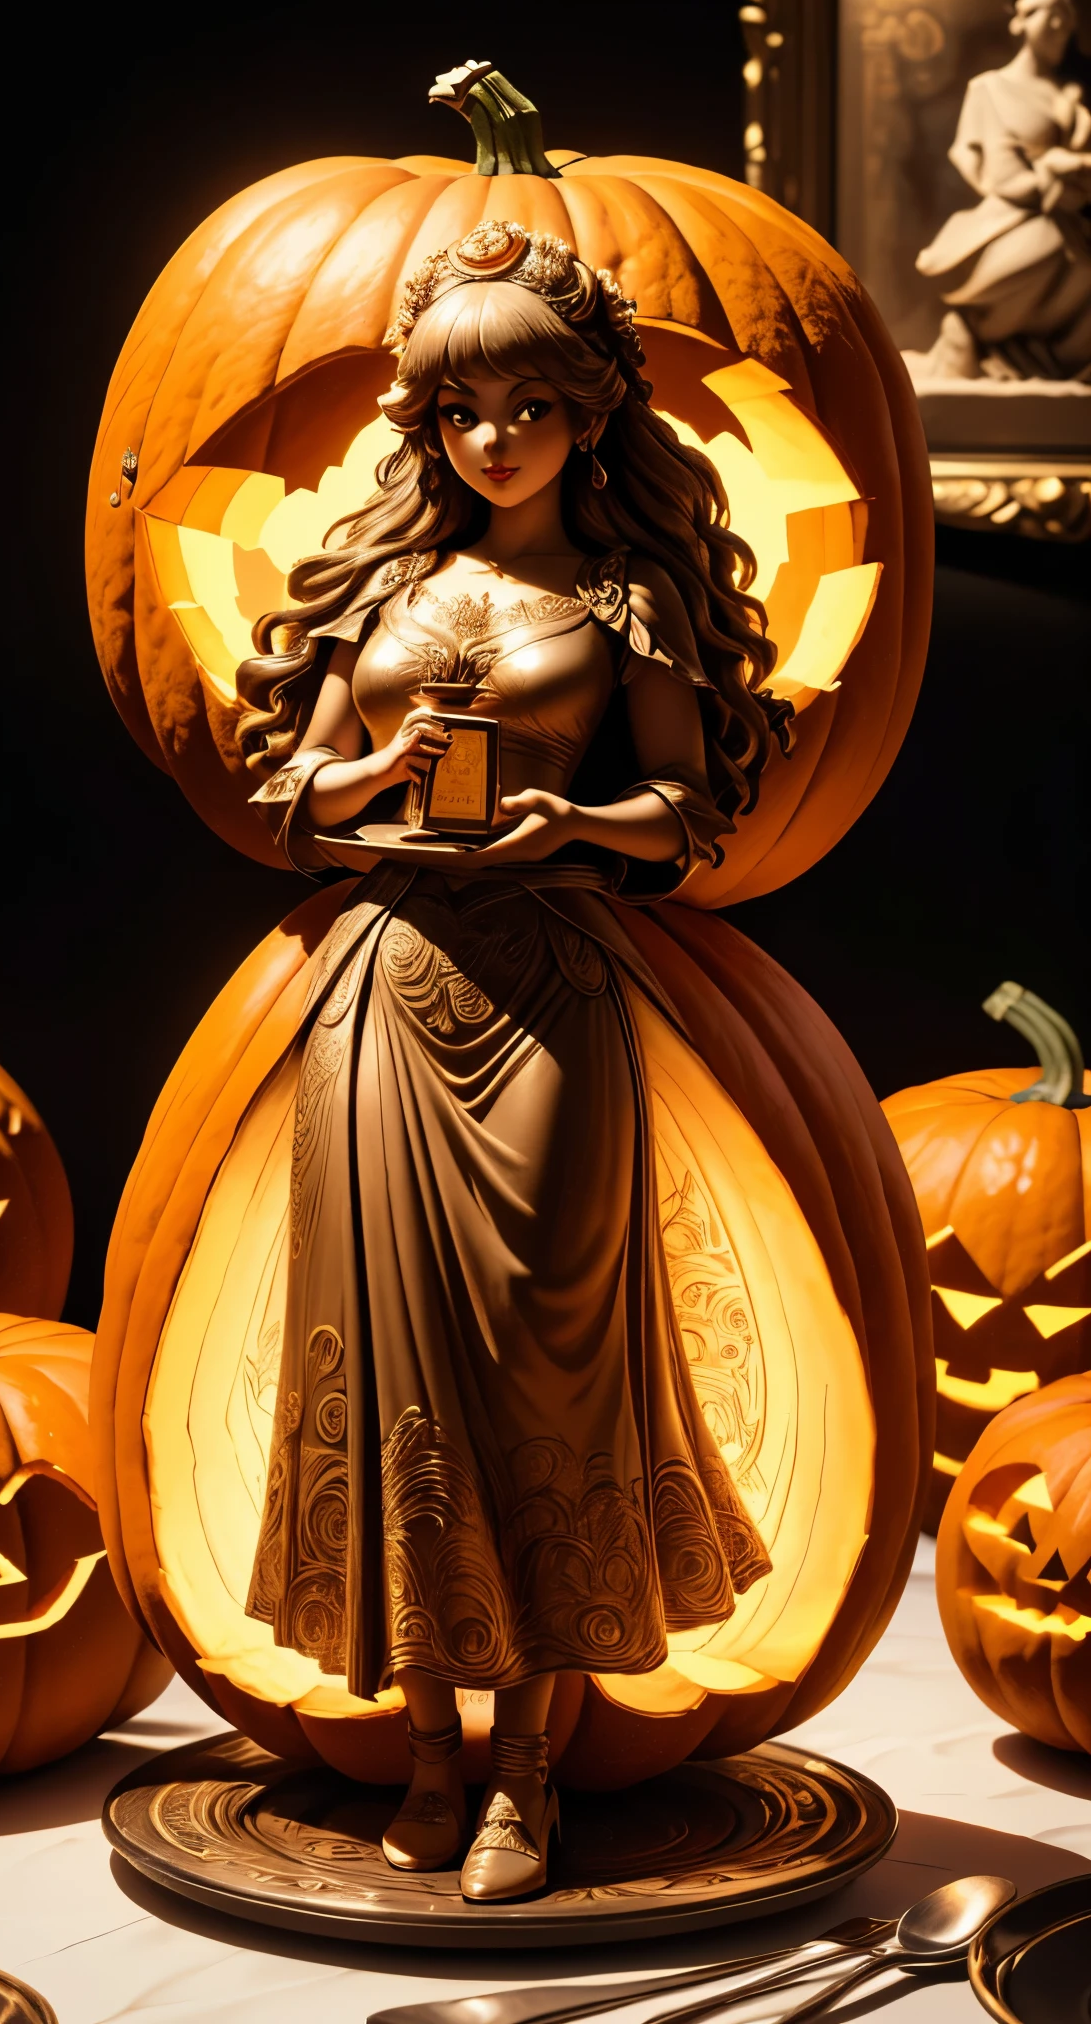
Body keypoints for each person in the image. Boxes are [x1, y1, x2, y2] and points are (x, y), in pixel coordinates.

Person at [235, 220, 787, 1903]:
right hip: (391, 993)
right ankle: (418, 1744)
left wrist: (578, 817)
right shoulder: (389, 593)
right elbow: (291, 800)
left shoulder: (624, 596)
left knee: (548, 1377)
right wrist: (381, 760)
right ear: (429, 422)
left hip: (552, 991)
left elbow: (688, 807)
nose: (492, 438)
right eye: (461, 409)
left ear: (588, 412)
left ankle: (528, 1770)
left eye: (526, 404)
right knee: (397, 1377)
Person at [914, 0, 1091, 381]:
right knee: (1054, 251)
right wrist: (1054, 169)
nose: (1060, 27)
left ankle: (1047, 362)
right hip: (1019, 218)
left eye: (1066, 19)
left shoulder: (1074, 93)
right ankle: (978, 340)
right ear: (1024, 21)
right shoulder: (991, 89)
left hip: (1075, 216)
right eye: (1052, 15)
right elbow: (1004, 177)